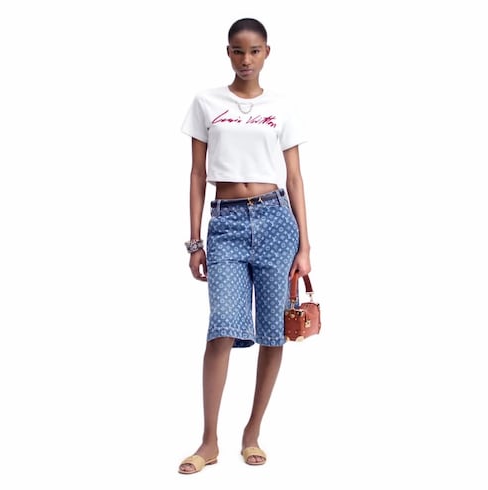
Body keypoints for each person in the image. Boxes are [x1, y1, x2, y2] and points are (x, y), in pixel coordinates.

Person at [178, 17, 311, 474]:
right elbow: (198, 174)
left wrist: (305, 246)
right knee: (222, 328)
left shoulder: (282, 106)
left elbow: (295, 177)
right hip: (226, 225)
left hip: (276, 221)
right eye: (238, 50)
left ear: (266, 52)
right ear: (228, 52)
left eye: (254, 51)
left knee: (273, 332)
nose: (246, 59)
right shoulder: (206, 102)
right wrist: (194, 241)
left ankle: (252, 433)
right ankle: (209, 441)